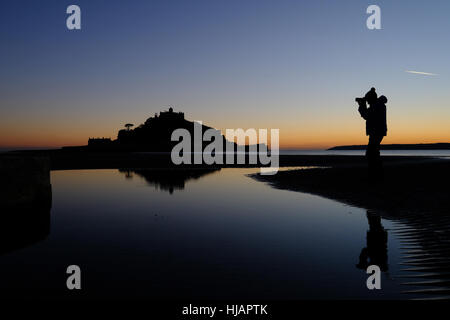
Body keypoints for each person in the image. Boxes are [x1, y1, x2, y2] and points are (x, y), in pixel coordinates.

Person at [357, 88, 388, 180]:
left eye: (368, 99)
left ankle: (376, 175)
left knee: (371, 154)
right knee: (373, 153)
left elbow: (366, 116)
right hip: (377, 131)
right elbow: (368, 115)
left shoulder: (377, 106)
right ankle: (376, 174)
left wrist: (362, 105)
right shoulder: (378, 105)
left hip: (376, 131)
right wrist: (363, 104)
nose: (367, 101)